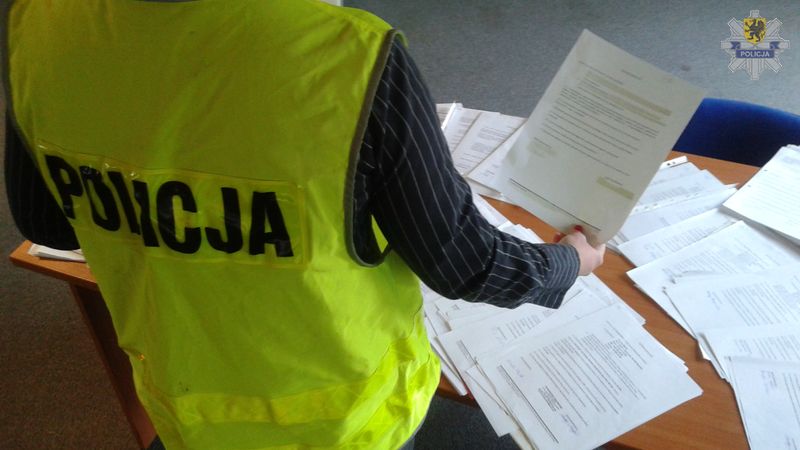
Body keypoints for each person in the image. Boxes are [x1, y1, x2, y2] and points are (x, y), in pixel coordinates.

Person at [3, 1, 605, 448]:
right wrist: (568, 262)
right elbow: (465, 263)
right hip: (347, 426)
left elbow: (47, 224)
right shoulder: (347, 55)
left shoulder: (42, 26)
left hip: (186, 409)